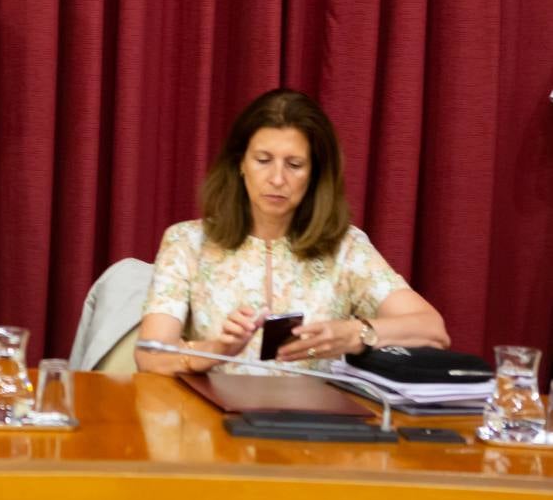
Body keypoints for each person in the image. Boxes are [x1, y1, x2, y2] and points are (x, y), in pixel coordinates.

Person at [135, 88, 449, 375]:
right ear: (240, 164)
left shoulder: (347, 248)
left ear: (314, 174)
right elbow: (150, 355)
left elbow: (433, 330)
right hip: (209, 424)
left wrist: (356, 334)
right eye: (263, 160)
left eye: (294, 165)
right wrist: (216, 351)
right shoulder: (187, 243)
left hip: (313, 427)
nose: (276, 178)